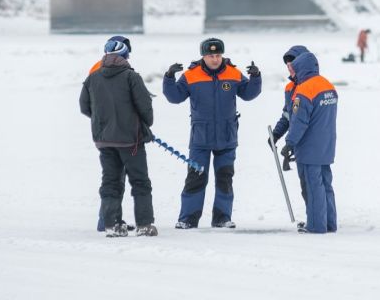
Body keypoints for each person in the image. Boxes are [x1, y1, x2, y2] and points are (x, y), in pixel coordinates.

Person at [163, 38, 262, 229]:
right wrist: (169, 78)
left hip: (227, 137)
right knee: (195, 178)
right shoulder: (191, 75)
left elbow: (248, 94)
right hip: (201, 138)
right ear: (203, 56)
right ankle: (187, 219)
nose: (215, 59)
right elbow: (174, 97)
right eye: (210, 56)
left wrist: (256, 77)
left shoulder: (233, 73)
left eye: (218, 55)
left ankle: (222, 218)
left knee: (225, 178)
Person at [80, 35, 158, 237]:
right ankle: (144, 224)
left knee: (110, 182)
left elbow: (85, 107)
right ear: (125, 55)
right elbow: (145, 108)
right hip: (130, 141)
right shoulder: (131, 76)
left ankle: (112, 224)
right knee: (140, 182)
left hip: (104, 141)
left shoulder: (92, 77)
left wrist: (103, 122)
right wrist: (142, 124)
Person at [281, 51, 338, 234]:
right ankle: (329, 223)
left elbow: (299, 121)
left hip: (309, 147)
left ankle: (316, 225)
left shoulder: (304, 90)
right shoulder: (328, 86)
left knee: (313, 187)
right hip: (326, 145)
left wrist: (290, 142)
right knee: (326, 185)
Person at [269, 45, 310, 227]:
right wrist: (277, 133)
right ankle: (316, 217)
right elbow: (288, 115)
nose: (289, 67)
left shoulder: (309, 86)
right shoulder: (289, 88)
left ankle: (317, 219)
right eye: (287, 64)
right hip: (296, 143)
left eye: (292, 63)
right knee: (306, 184)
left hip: (309, 142)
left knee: (313, 183)